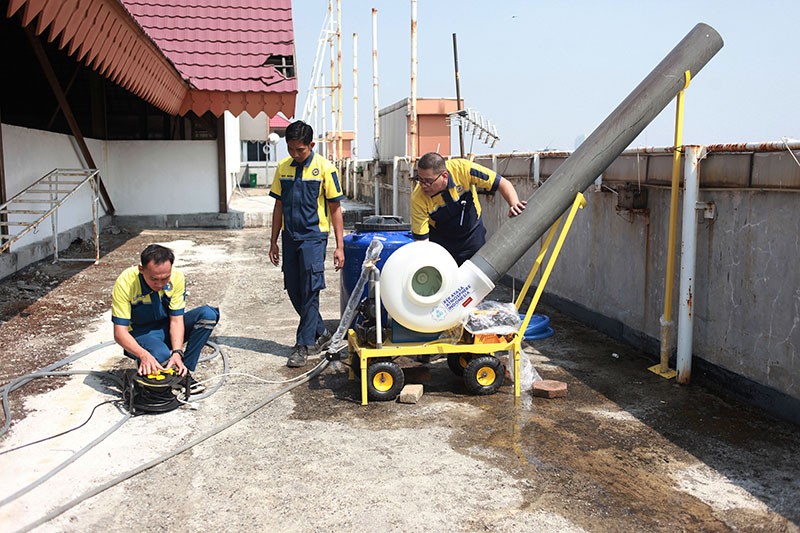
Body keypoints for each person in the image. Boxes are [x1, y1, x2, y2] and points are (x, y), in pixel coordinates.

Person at [269, 121, 345, 368]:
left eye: (299, 150)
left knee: (311, 290)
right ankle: (322, 332)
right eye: (290, 149)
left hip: (314, 237)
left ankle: (303, 345)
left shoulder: (325, 169)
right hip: (290, 237)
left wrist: (339, 246)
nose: (295, 154)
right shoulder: (283, 168)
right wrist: (273, 241)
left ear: (311, 145)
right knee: (293, 289)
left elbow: (336, 209)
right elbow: (278, 206)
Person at [112, 244, 219, 392]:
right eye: (154, 279)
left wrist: (177, 352)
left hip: (167, 327)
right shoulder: (126, 282)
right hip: (141, 333)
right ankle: (149, 362)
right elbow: (120, 333)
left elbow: (176, 320)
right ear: (141, 269)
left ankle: (183, 373)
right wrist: (143, 355)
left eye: (165, 278)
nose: (160, 284)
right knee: (160, 355)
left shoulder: (177, 277)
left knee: (208, 315)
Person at [410, 152, 527, 265]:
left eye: (428, 181)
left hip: (472, 234)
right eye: (420, 179)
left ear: (444, 176)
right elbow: (422, 243)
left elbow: (501, 183)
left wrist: (514, 204)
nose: (423, 185)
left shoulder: (464, 169)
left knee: (477, 272)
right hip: (442, 239)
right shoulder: (418, 198)